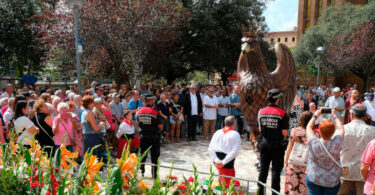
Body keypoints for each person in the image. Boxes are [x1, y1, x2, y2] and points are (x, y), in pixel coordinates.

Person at [257, 89, 289, 195]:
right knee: (276, 172)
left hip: (264, 144)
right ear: (278, 99)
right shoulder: (282, 113)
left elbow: (260, 129)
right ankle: (275, 193)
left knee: (263, 170)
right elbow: (285, 133)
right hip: (277, 146)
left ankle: (259, 192)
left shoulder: (261, 111)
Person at [338, 104, 375, 194]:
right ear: (365, 115)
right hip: (364, 175)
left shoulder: (343, 129)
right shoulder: (372, 130)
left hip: (345, 172)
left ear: (351, 115)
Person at [305, 109, 344, 194]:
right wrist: (335, 116)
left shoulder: (313, 142)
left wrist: (315, 115)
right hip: (332, 180)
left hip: (314, 177)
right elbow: (341, 128)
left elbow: (308, 127)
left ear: (319, 130)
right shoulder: (337, 142)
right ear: (333, 131)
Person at [284, 111, 314, 194]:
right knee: (304, 188)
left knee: (292, 187)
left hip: (294, 163)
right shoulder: (315, 133)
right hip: (307, 166)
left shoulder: (295, 131)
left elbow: (289, 147)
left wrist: (286, 161)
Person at [208, 116, 241, 188]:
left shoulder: (217, 132)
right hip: (228, 161)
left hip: (218, 160)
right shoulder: (235, 134)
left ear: (224, 123)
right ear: (234, 124)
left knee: (225, 178)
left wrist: (216, 160)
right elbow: (235, 151)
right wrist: (223, 162)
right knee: (226, 184)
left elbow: (210, 148)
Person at [137, 95, 163, 179]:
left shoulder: (139, 111)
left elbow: (138, 123)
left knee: (142, 156)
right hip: (153, 137)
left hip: (143, 136)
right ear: (151, 100)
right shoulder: (155, 112)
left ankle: (141, 174)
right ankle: (154, 176)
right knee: (154, 157)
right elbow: (160, 126)